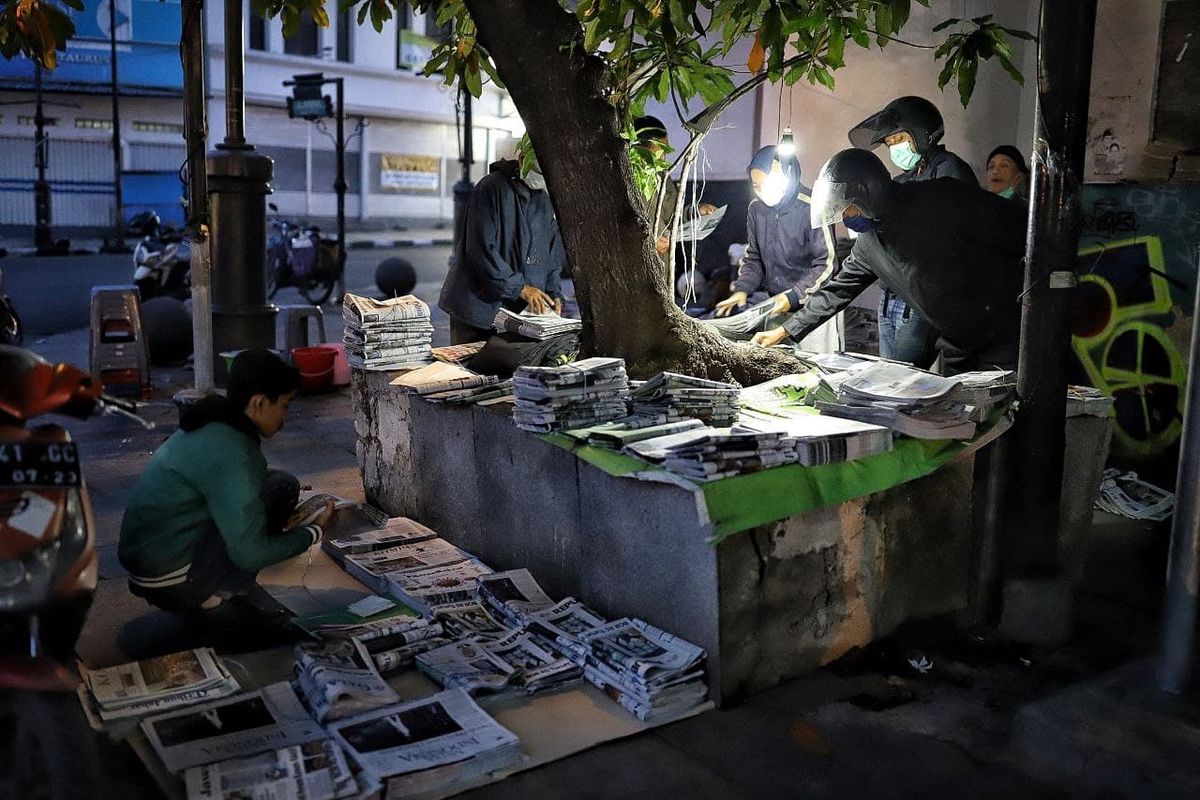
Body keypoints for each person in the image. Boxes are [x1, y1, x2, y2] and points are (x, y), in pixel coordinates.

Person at [751, 148, 1026, 375]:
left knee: (1005, 422)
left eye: (849, 208)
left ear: (868, 193)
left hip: (1004, 335)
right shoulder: (869, 244)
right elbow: (837, 290)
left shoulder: (941, 198)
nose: (847, 218)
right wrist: (786, 329)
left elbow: (1019, 229)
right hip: (956, 343)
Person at [118, 350, 333, 615]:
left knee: (280, 484)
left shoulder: (212, 422)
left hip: (147, 563)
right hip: (172, 579)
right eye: (285, 406)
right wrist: (312, 532)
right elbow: (249, 554)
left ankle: (212, 587)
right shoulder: (234, 451)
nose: (285, 417)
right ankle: (217, 598)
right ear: (259, 404)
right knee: (276, 492)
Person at [848, 96, 977, 368]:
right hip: (891, 294)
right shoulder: (902, 179)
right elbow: (884, 228)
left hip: (921, 299)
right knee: (887, 377)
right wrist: (857, 218)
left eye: (899, 139)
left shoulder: (949, 171)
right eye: (890, 144)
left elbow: (949, 239)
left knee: (905, 380)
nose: (894, 149)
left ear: (921, 132)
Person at [711, 145, 841, 351]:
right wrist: (743, 289)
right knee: (779, 370)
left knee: (815, 372)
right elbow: (754, 258)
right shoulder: (756, 209)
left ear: (787, 176)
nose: (763, 192)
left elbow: (826, 265)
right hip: (776, 306)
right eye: (757, 186)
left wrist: (793, 295)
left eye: (767, 184)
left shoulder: (814, 206)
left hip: (813, 310)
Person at [439, 146, 566, 344]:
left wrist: (554, 293)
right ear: (522, 158)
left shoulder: (543, 201)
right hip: (477, 310)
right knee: (470, 370)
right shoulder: (491, 188)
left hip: (516, 316)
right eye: (537, 172)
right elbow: (480, 251)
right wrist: (520, 288)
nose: (540, 179)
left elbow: (550, 255)